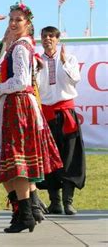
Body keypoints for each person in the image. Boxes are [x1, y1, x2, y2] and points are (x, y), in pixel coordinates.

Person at [0, 3, 63, 233]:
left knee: (17, 163)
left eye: (18, 20)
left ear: (28, 24)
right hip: (14, 104)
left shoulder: (21, 48)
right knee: (8, 163)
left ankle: (25, 213)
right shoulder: (17, 46)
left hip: (19, 105)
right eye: (11, 19)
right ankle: (24, 211)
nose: (13, 23)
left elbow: (21, 82)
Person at [37, 26, 86, 215]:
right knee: (48, 158)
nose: (48, 39)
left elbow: (75, 79)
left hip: (66, 113)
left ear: (57, 39)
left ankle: (68, 202)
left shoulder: (69, 58)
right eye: (44, 36)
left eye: (51, 36)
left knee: (70, 157)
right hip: (46, 114)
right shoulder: (37, 61)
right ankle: (55, 202)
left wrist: (64, 62)